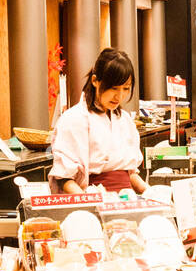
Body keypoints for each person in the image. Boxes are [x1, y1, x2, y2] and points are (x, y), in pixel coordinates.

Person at [49, 48, 149, 194]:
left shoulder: (125, 120)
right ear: (95, 81)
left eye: (126, 88)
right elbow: (64, 178)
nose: (119, 96)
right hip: (92, 197)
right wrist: (88, 203)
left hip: (127, 199)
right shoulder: (73, 119)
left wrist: (149, 192)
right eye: (113, 88)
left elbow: (130, 173)